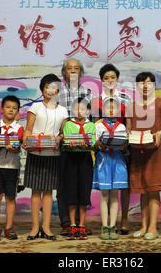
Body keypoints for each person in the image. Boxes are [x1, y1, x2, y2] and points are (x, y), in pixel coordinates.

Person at [126, 72, 161, 240]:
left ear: (154, 85)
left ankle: (153, 227)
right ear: (137, 86)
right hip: (138, 152)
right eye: (141, 83)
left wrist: (159, 134)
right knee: (143, 190)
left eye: (148, 83)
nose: (145, 86)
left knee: (153, 190)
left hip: (155, 151)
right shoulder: (131, 106)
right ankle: (143, 226)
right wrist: (129, 136)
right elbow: (129, 129)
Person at [22, 74, 68, 240]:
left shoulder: (63, 111)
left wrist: (60, 138)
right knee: (35, 192)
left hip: (53, 154)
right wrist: (25, 140)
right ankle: (34, 228)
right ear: (42, 88)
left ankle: (47, 228)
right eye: (47, 86)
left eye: (53, 87)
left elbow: (63, 133)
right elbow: (28, 129)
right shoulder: (35, 107)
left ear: (57, 90)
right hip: (35, 153)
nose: (50, 90)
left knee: (48, 193)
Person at [92, 64, 132, 234]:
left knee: (120, 187)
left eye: (112, 77)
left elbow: (128, 125)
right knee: (105, 192)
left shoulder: (125, 98)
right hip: (103, 152)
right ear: (102, 80)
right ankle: (105, 226)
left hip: (120, 150)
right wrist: (98, 142)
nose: (109, 81)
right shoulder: (96, 100)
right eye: (106, 78)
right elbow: (94, 125)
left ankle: (121, 222)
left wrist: (125, 141)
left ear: (117, 79)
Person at [56, 58, 93, 236]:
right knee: (64, 184)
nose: (72, 71)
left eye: (76, 68)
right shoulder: (57, 91)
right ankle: (66, 223)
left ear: (80, 72)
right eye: (69, 68)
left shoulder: (88, 91)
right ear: (64, 72)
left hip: (83, 148)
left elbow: (90, 119)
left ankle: (80, 223)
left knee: (82, 185)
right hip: (64, 145)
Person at [0, 95, 23, 241]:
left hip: (12, 168)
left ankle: (8, 227)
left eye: (14, 108)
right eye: (8, 107)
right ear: (2, 109)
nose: (11, 110)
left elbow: (18, 146)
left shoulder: (19, 128)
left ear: (18, 111)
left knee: (10, 198)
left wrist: (14, 148)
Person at [93, 97, 129, 240]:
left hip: (117, 161)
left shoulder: (121, 127)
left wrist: (124, 144)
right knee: (104, 195)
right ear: (103, 110)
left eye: (115, 108)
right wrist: (100, 142)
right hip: (104, 161)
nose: (111, 110)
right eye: (108, 108)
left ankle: (113, 226)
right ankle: (104, 226)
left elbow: (125, 147)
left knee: (114, 195)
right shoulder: (98, 126)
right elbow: (95, 145)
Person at [61, 98, 96, 240]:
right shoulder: (68, 124)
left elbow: (92, 143)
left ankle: (82, 225)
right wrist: (70, 144)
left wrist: (87, 145)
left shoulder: (91, 126)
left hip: (85, 161)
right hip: (70, 160)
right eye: (76, 109)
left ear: (87, 111)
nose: (79, 112)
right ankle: (73, 224)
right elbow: (66, 142)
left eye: (82, 109)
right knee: (71, 192)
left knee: (84, 192)